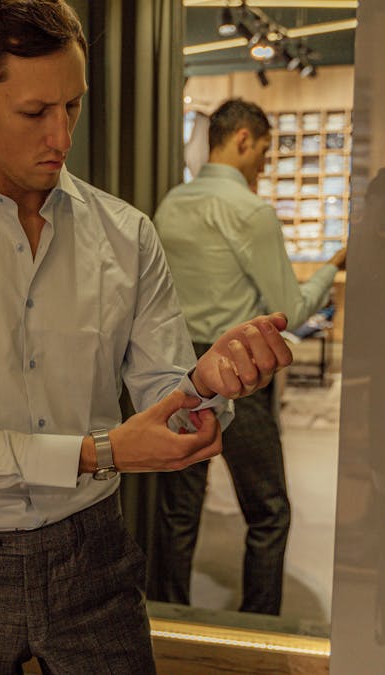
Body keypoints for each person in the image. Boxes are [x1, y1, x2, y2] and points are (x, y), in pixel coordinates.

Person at [0, 3, 296, 671]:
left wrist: (206, 383)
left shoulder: (127, 235)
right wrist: (97, 453)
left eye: (73, 105)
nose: (61, 135)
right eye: (36, 112)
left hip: (93, 556)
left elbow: (170, 407)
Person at [149, 98, 347, 615]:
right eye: (262, 151)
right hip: (237, 371)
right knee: (268, 511)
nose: (263, 165)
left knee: (178, 510)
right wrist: (333, 266)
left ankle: (170, 622)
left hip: (177, 370)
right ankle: (260, 627)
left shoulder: (171, 204)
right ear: (242, 140)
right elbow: (291, 309)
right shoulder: (250, 211)